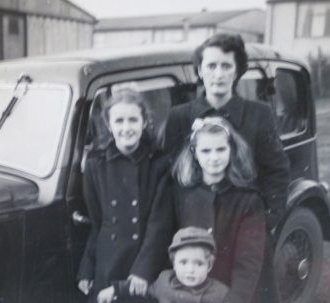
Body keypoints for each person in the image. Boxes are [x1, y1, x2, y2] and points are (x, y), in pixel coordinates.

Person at [164, 33, 290, 302]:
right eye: (211, 66)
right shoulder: (180, 116)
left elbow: (277, 171)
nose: (218, 74)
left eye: (226, 66)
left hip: (243, 234)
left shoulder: (259, 114)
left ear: (237, 71)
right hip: (193, 244)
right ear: (199, 70)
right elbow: (170, 179)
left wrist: (265, 221)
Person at [77, 87, 171, 303]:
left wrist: (142, 271)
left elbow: (160, 225)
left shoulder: (158, 164)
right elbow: (98, 223)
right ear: (109, 125)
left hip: (144, 265)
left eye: (133, 120)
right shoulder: (95, 166)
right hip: (108, 265)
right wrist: (87, 267)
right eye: (119, 121)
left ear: (144, 122)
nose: (126, 128)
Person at [171, 117, 266, 303]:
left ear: (231, 150)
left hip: (229, 291)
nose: (214, 158)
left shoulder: (248, 200)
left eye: (221, 149)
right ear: (194, 153)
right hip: (188, 290)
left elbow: (248, 262)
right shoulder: (182, 194)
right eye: (206, 151)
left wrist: (236, 299)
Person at [105, 227, 229, 303]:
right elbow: (143, 289)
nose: (190, 270)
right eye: (183, 262)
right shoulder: (165, 281)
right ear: (174, 264)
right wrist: (115, 289)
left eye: (199, 264)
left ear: (209, 266)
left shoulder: (220, 293)